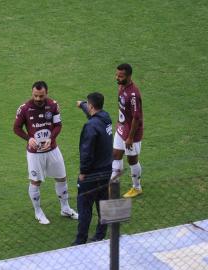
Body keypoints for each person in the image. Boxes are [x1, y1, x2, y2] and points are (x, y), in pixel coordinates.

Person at [13, 81, 78, 225]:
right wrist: (28, 138)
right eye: (35, 95)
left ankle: (65, 208)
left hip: (52, 150)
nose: (37, 99)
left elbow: (58, 125)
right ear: (32, 93)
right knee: (35, 181)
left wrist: (51, 138)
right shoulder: (24, 109)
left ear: (46, 93)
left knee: (62, 178)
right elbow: (16, 128)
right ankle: (38, 212)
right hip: (34, 153)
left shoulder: (53, 105)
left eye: (41, 96)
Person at [72, 92, 113, 245]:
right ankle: (100, 236)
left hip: (91, 174)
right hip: (107, 170)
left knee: (84, 206)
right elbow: (92, 113)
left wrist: (83, 173)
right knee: (103, 203)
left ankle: (80, 240)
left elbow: (86, 152)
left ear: (91, 105)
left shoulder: (90, 126)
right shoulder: (106, 117)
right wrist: (82, 104)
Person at [111, 63, 144, 198]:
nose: (117, 78)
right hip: (122, 127)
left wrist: (130, 138)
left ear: (129, 76)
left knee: (132, 160)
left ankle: (137, 187)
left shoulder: (133, 94)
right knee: (116, 155)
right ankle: (113, 186)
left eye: (121, 76)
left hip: (132, 132)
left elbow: (137, 117)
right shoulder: (122, 86)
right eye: (117, 75)